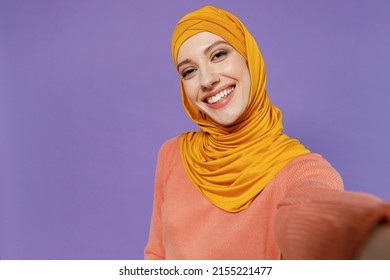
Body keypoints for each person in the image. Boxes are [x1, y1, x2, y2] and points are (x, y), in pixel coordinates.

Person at [144, 5, 390, 259]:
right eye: (189, 71)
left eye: (218, 55)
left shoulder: (300, 170)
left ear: (248, 58)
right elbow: (156, 255)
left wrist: (372, 238)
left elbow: (315, 215)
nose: (206, 80)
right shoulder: (173, 154)